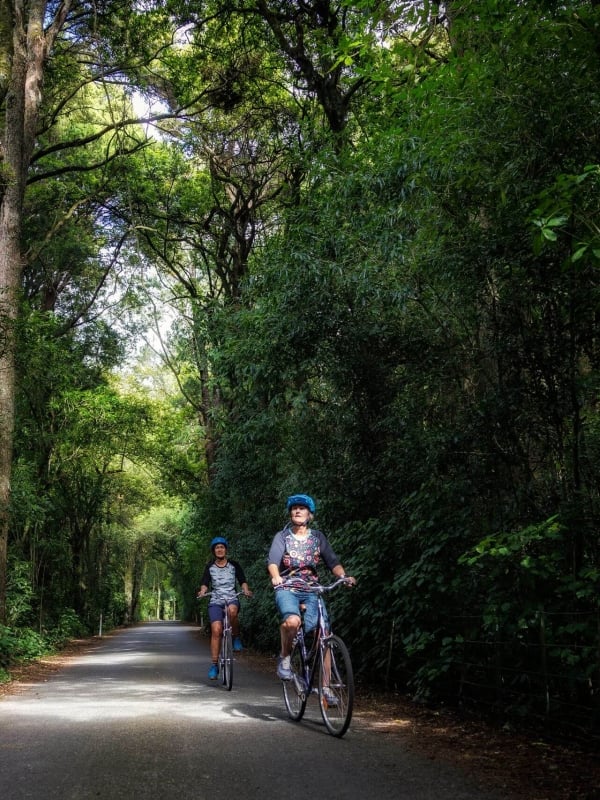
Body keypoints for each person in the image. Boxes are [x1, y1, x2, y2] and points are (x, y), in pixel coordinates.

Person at [267, 493, 355, 698]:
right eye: (294, 508)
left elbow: (332, 562)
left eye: (302, 508)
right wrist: (275, 576)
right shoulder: (283, 537)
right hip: (287, 587)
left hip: (312, 590)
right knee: (292, 621)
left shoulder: (318, 538)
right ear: (290, 513)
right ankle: (285, 658)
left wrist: (344, 577)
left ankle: (326, 688)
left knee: (323, 634)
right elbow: (273, 561)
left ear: (309, 514)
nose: (297, 511)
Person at [197, 536, 252, 680]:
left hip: (231, 598)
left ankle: (235, 637)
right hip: (215, 600)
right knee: (216, 630)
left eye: (222, 547)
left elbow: (242, 580)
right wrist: (203, 591)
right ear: (214, 551)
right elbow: (205, 582)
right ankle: (214, 665)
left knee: (232, 611)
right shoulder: (210, 567)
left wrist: (245, 590)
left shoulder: (234, 565)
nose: (219, 550)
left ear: (225, 550)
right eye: (217, 548)